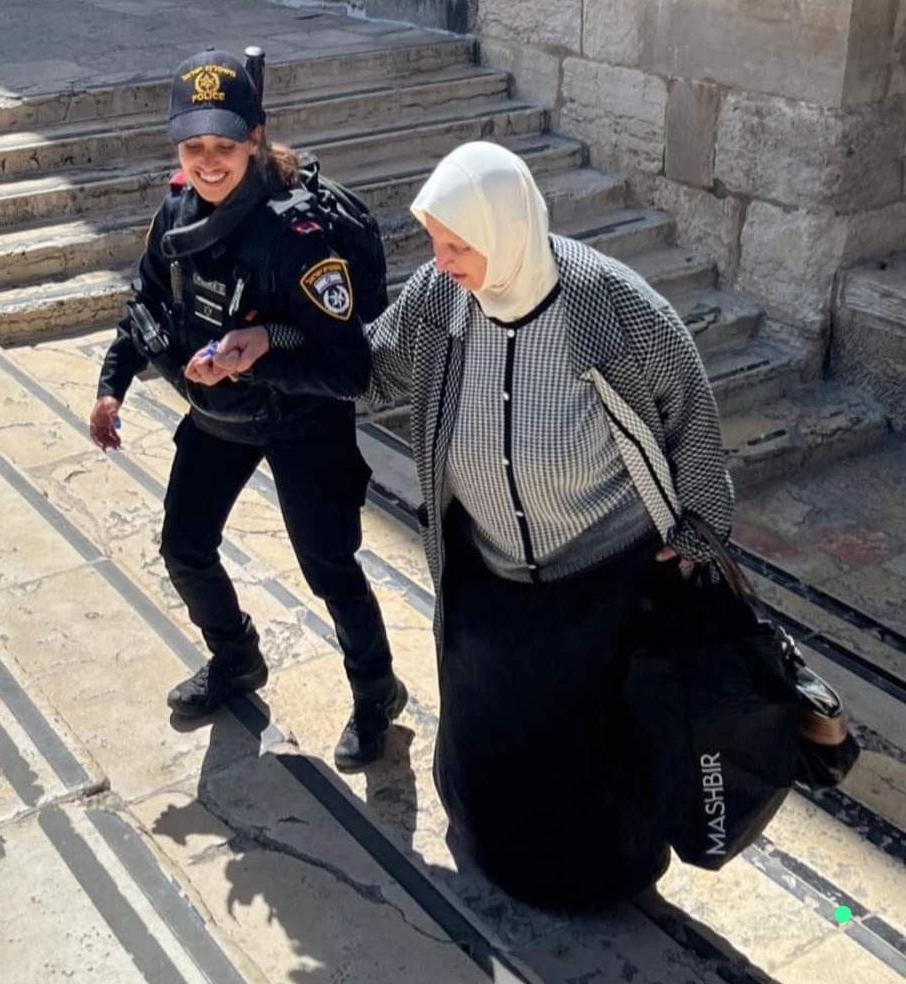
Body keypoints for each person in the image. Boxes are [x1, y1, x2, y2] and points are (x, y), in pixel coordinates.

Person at [210, 141, 736, 905]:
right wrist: (269, 348)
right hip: (489, 574)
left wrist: (700, 533)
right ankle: (493, 855)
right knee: (491, 746)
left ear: (509, 230)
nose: (442, 258)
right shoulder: (441, 297)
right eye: (436, 241)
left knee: (593, 756)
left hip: (603, 577)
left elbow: (691, 413)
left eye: (458, 243)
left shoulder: (609, 304)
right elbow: (371, 367)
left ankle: (605, 881)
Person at [88, 50, 406, 772]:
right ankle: (235, 656)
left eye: (224, 147)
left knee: (329, 569)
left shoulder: (295, 238)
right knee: (184, 548)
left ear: (255, 141)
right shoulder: (174, 210)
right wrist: (113, 385)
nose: (207, 162)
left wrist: (265, 346)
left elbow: (351, 366)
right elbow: (145, 303)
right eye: (193, 146)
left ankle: (375, 690)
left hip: (301, 423)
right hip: (220, 415)